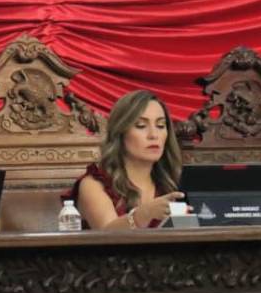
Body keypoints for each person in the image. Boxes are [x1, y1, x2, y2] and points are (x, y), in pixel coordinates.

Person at [67, 90, 185, 229]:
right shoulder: (94, 184)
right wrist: (144, 214)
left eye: (160, 126)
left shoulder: (171, 181)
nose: (154, 135)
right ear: (120, 132)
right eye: (141, 126)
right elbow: (107, 234)